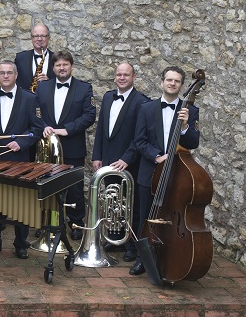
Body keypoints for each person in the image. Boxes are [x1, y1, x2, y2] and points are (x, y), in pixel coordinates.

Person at [129, 65, 200, 276]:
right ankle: (143, 259)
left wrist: (186, 127)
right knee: (145, 216)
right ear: (162, 82)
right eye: (169, 80)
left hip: (177, 175)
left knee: (173, 217)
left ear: (181, 85)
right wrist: (156, 157)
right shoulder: (146, 108)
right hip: (149, 172)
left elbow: (193, 142)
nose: (172, 83)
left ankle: (170, 257)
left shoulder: (191, 111)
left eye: (177, 81)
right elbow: (139, 141)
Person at [0, 61, 44, 258]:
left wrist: (22, 143)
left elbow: (37, 128)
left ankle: (21, 243)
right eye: (2, 73)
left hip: (19, 159)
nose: (5, 76)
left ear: (16, 74)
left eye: (9, 73)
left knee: (20, 203)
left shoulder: (30, 98)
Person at [91, 61, 149, 257]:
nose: (122, 78)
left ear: (134, 78)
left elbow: (140, 136)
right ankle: (115, 239)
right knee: (112, 202)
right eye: (119, 75)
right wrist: (97, 156)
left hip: (129, 162)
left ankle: (131, 245)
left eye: (126, 75)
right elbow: (101, 129)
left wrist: (127, 158)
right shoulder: (108, 97)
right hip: (108, 159)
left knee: (130, 204)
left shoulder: (142, 101)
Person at [35, 49, 97, 225]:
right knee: (47, 184)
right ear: (53, 68)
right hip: (47, 147)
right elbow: (35, 112)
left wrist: (67, 130)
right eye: (58, 65)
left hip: (73, 146)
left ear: (71, 66)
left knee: (74, 188)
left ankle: (76, 222)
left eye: (65, 64)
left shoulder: (85, 88)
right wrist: (43, 126)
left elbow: (89, 115)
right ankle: (47, 222)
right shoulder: (43, 87)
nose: (61, 68)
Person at [15, 23, 54, 91]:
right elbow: (16, 82)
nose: (39, 39)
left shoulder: (57, 59)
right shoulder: (20, 58)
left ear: (48, 38)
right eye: (36, 36)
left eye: (43, 36)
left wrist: (49, 82)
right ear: (31, 38)